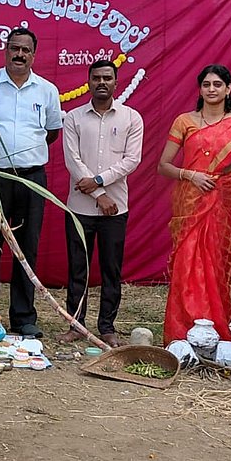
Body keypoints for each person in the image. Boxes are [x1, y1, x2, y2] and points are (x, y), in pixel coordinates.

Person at [0, 26, 63, 337]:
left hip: (31, 179)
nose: (19, 54)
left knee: (27, 247)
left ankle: (23, 318)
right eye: (14, 48)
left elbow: (51, 132)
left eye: (25, 50)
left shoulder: (46, 90)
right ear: (5, 50)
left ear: (34, 55)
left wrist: (24, 152)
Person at [157, 64, 231, 343]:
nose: (211, 89)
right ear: (200, 90)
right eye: (206, 84)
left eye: (217, 84)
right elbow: (163, 166)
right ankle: (181, 330)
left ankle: (215, 327)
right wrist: (191, 175)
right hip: (189, 201)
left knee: (215, 264)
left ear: (228, 89)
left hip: (224, 201)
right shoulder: (184, 121)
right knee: (186, 262)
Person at [60, 59, 144, 346]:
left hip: (115, 209)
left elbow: (131, 160)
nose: (101, 83)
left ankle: (107, 326)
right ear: (88, 82)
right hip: (79, 208)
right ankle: (76, 325)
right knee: (78, 269)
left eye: (107, 78)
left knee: (111, 269)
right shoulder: (74, 118)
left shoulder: (131, 118)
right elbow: (73, 161)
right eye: (96, 78)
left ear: (116, 83)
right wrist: (99, 194)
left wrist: (97, 181)